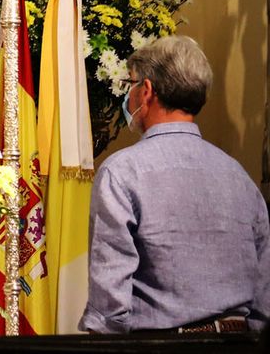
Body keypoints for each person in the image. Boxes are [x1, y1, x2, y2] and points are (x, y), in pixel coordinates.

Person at [81, 35, 270, 334]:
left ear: (146, 91)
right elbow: (265, 294)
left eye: (130, 84)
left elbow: (110, 310)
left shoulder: (121, 172)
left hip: (161, 348)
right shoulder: (238, 175)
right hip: (242, 346)